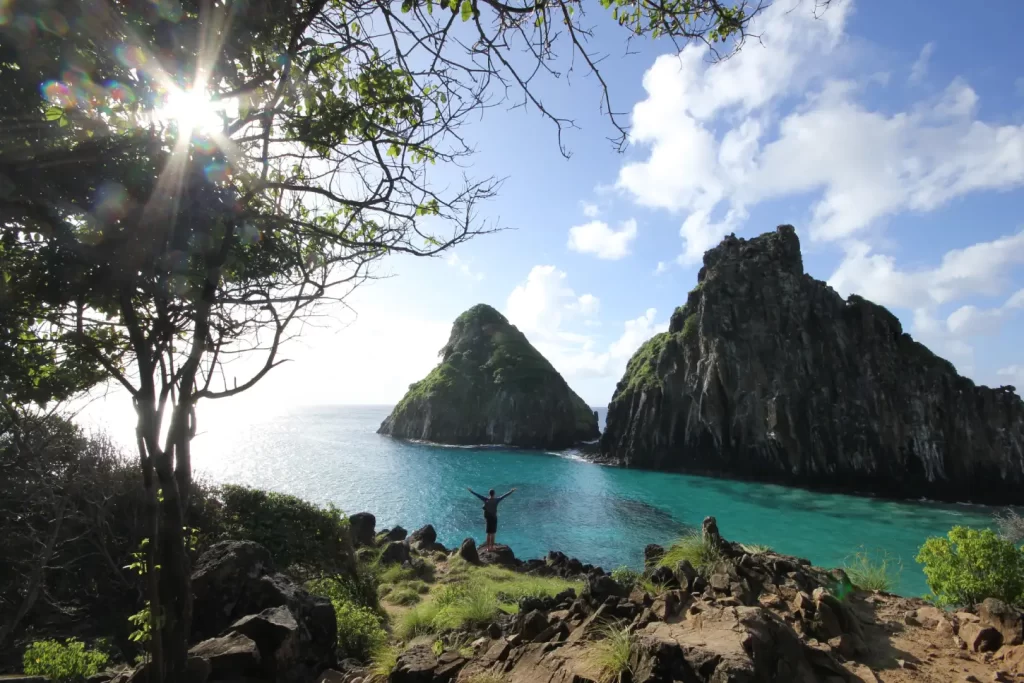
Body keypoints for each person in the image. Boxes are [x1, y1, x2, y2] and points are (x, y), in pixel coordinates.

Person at [467, 486, 516, 550]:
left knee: (488, 534)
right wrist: (511, 491)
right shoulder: (497, 500)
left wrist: (471, 491)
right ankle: (492, 547)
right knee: (493, 534)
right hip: (494, 518)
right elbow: (504, 496)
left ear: (489, 494)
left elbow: (478, 495)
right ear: (494, 494)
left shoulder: (486, 500)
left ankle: (488, 548)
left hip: (488, 518)